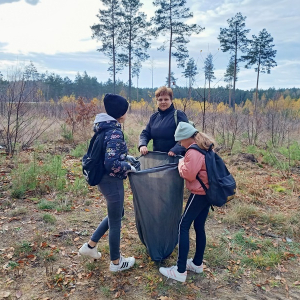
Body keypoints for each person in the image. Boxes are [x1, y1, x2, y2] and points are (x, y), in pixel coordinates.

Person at [79, 94, 136, 272]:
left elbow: (108, 154)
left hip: (103, 180)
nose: (126, 114)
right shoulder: (115, 131)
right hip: (111, 181)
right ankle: (116, 262)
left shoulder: (103, 128)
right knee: (116, 220)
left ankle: (89, 246)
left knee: (117, 214)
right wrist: (127, 166)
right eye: (125, 111)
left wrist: (126, 157)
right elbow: (112, 164)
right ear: (120, 113)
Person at [159, 122, 215, 282]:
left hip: (199, 193)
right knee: (198, 226)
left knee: (183, 226)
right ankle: (197, 264)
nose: (180, 144)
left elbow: (189, 174)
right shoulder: (204, 145)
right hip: (208, 192)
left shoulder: (193, 150)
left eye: (180, 141)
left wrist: (181, 162)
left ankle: (180, 270)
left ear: (186, 138)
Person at [139, 86, 189, 156]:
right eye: (160, 100)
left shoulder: (178, 115)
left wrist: (175, 150)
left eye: (166, 99)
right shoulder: (154, 117)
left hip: (175, 158)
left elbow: (187, 135)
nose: (163, 102)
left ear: (171, 101)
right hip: (158, 158)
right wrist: (142, 145)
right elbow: (145, 134)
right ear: (157, 101)